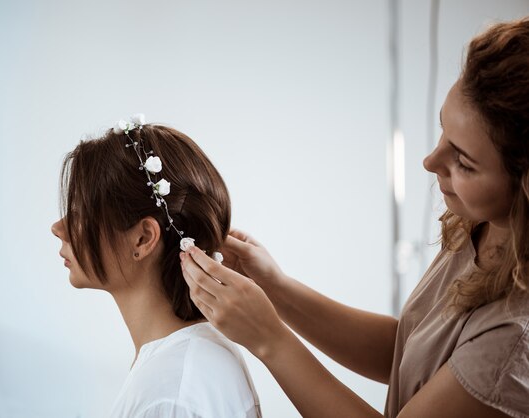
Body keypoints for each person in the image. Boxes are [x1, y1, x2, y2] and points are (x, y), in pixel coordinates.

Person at [180, 18, 529, 418]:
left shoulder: (514, 344)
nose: (430, 162)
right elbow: (411, 352)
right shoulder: (486, 223)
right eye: (442, 132)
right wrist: (276, 288)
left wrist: (269, 340)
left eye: (463, 162)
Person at [51, 116, 262, 418]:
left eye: (79, 211)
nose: (58, 227)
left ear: (143, 238)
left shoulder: (170, 394)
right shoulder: (196, 355)